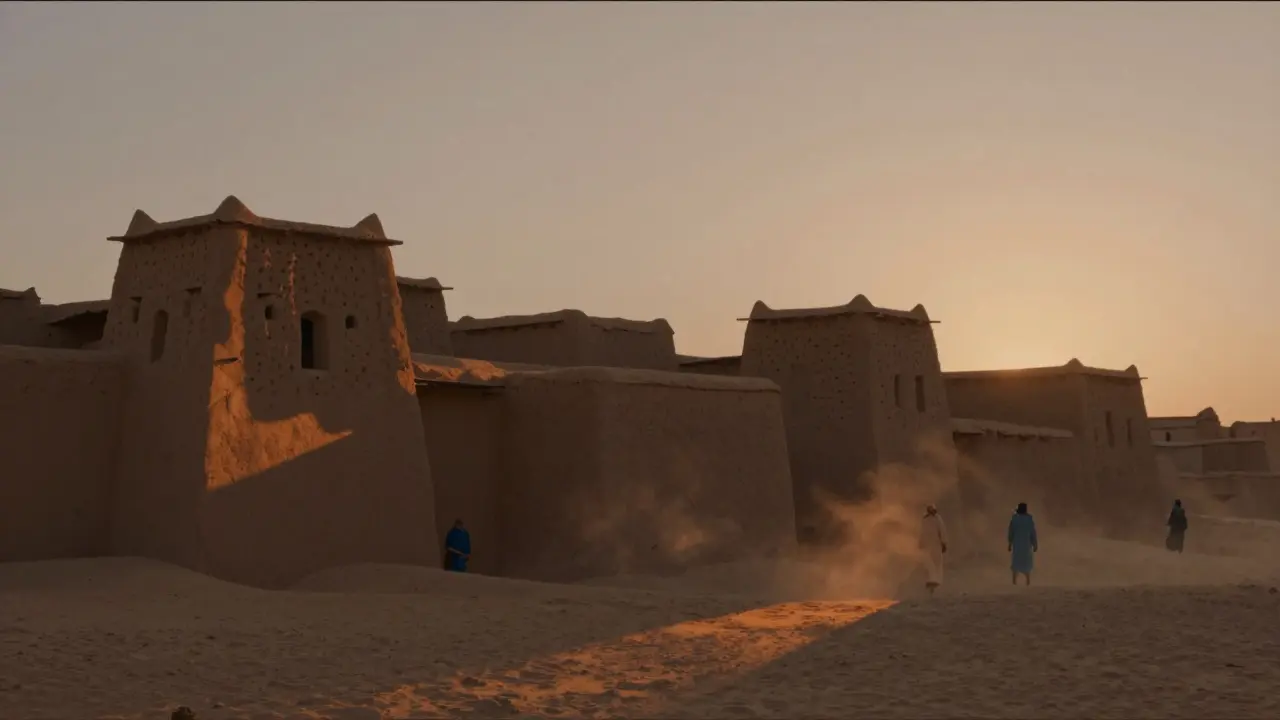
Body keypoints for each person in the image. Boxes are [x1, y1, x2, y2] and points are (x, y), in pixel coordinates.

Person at [919, 504, 948, 596]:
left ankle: (935, 583)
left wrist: (943, 543)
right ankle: (931, 582)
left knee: (936, 563)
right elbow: (922, 532)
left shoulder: (936, 519)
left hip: (935, 545)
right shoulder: (925, 519)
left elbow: (942, 531)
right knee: (929, 564)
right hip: (929, 546)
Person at [1007, 502, 1038, 586]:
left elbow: (1011, 532)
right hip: (1026, 543)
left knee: (1016, 561)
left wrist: (1010, 543)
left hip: (1017, 543)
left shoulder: (1014, 519)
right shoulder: (1029, 519)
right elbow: (1033, 533)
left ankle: (1014, 581)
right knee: (1026, 561)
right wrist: (1035, 544)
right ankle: (1027, 581)